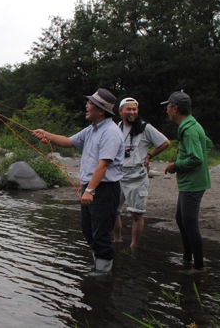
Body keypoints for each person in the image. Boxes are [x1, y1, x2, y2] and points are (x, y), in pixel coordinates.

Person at [32, 88, 123, 275]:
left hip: (104, 190)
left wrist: (90, 190)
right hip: (91, 187)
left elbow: (103, 165)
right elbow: (67, 141)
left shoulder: (111, 132)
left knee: (101, 234)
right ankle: (99, 267)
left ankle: (102, 276)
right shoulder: (92, 129)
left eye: (90, 103)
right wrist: (46, 134)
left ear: (100, 110)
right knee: (88, 231)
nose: (87, 106)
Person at [162, 91, 212, 273]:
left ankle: (198, 267)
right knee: (181, 220)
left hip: (193, 183)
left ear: (175, 109)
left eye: (168, 107)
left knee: (189, 223)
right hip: (190, 182)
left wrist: (176, 165)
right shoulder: (193, 126)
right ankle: (186, 259)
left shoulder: (189, 129)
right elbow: (208, 144)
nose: (166, 110)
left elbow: (196, 158)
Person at [113, 97, 170, 248]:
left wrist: (150, 155)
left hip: (137, 177)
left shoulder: (145, 128)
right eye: (128, 109)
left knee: (136, 214)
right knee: (112, 211)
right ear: (120, 111)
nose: (132, 112)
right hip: (118, 176)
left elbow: (165, 142)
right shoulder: (117, 127)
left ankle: (134, 246)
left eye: (134, 109)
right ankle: (117, 241)